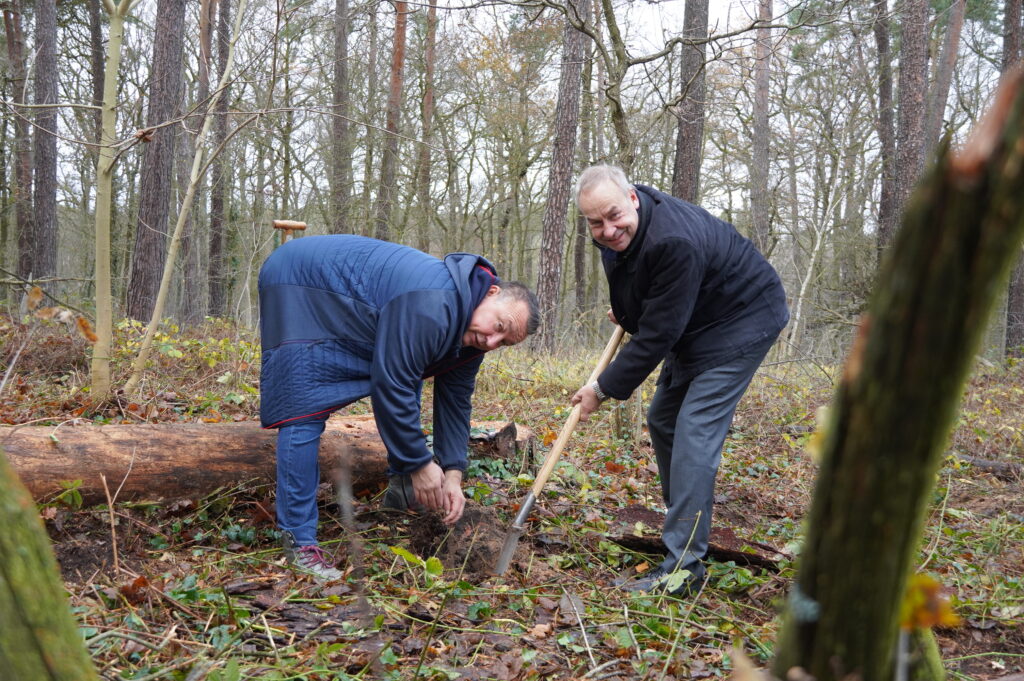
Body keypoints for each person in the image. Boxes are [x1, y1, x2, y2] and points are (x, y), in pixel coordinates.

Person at [259, 234, 540, 581]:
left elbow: (455, 400)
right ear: (491, 293)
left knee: (408, 372)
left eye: (503, 342)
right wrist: (420, 464)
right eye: (498, 327)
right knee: (304, 407)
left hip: (351, 300)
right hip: (302, 281)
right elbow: (391, 384)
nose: (491, 341)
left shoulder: (469, 328)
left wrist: (452, 471)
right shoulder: (433, 303)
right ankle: (298, 541)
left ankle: (401, 493)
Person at [570, 164, 789, 596]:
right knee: (663, 420)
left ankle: (683, 570)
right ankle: (686, 526)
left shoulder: (673, 240)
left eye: (614, 216)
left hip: (743, 319)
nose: (609, 230)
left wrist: (602, 388)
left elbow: (659, 333)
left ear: (632, 198)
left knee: (693, 432)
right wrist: (630, 313)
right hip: (699, 319)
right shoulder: (620, 231)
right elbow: (644, 289)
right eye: (596, 223)